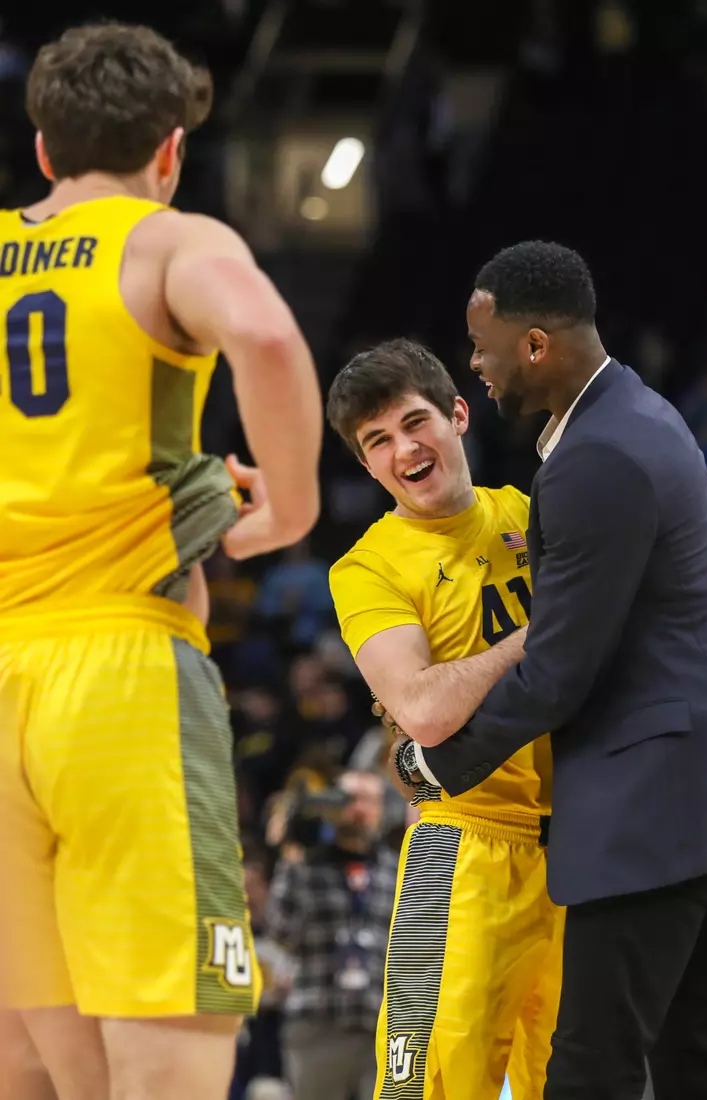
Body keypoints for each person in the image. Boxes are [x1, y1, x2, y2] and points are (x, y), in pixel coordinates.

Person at [392, 242, 707, 1100]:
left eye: (482, 346)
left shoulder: (596, 455)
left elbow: (560, 671)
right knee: (700, 1070)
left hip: (661, 803)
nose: (474, 366)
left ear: (537, 344)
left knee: (590, 1071)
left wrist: (436, 764)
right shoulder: (642, 415)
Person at [0, 22, 321, 1100]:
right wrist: (287, 505)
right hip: (118, 673)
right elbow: (268, 340)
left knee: (29, 1062)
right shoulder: (170, 240)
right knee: (168, 1056)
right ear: (171, 152)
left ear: (42, 150)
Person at [326, 339, 564, 1099]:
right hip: (461, 847)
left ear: (458, 415)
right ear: (367, 467)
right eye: (378, 442)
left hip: (584, 846)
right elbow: (423, 710)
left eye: (414, 421)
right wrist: (548, 632)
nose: (404, 449)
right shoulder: (366, 568)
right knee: (428, 1088)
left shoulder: (531, 514)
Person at [266, 771, 399, 1100]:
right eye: (350, 799)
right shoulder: (305, 866)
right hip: (318, 1021)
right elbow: (280, 930)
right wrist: (292, 851)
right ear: (331, 807)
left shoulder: (397, 868)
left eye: (369, 800)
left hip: (380, 1026)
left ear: (382, 809)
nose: (359, 809)